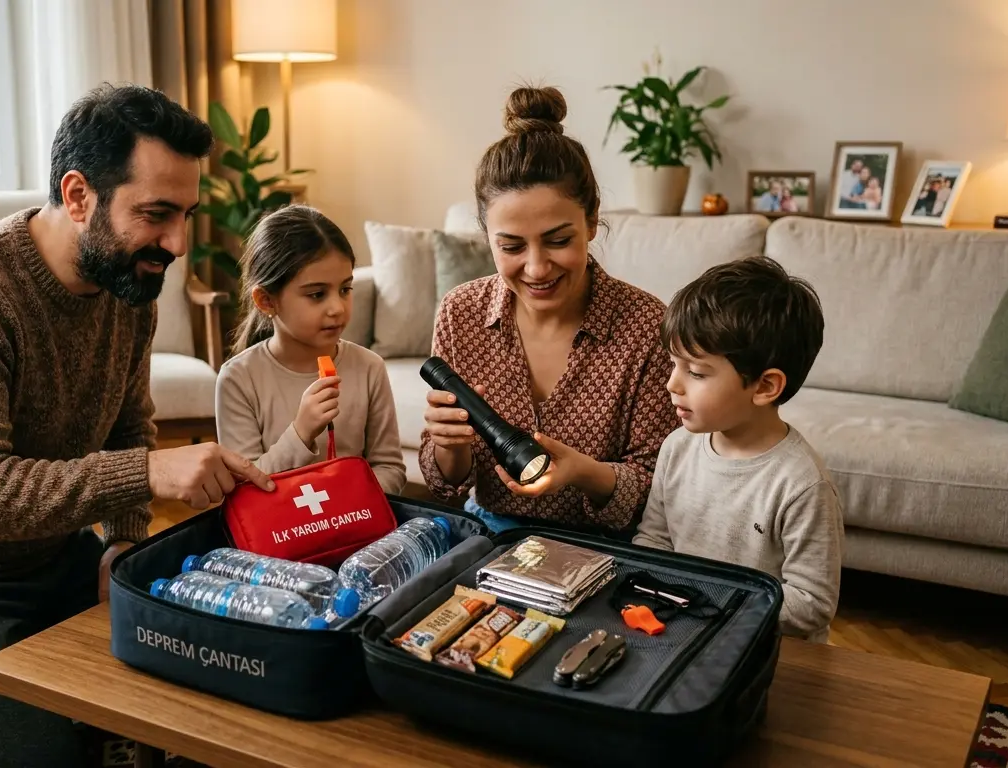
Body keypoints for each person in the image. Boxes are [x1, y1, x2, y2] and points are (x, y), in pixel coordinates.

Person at [0, 83, 274, 768]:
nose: (177, 243)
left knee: (189, 685)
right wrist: (150, 475)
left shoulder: (129, 284)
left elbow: (128, 427)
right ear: (78, 195)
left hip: (42, 547)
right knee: (36, 758)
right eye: (156, 214)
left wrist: (122, 546)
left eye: (185, 214)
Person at [420, 85, 680, 535]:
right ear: (486, 235)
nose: (537, 268)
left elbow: (658, 487)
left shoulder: (644, 324)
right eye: (512, 246)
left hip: (606, 548)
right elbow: (447, 485)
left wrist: (581, 471)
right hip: (490, 536)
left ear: (592, 220)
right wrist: (449, 444)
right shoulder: (460, 312)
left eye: (559, 240)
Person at [632, 256, 843, 643]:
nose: (672, 384)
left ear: (764, 387)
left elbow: (811, 605)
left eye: (696, 372)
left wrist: (707, 602)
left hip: (766, 652)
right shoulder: (677, 448)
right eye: (673, 364)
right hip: (686, 630)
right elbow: (654, 541)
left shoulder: (801, 484)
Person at [215, 205, 407, 494]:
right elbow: (244, 490)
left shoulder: (369, 368)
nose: (337, 308)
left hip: (359, 527)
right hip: (280, 532)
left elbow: (390, 469)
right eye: (317, 295)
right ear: (266, 301)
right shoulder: (238, 379)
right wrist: (301, 432)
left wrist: (345, 505)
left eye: (345, 289)